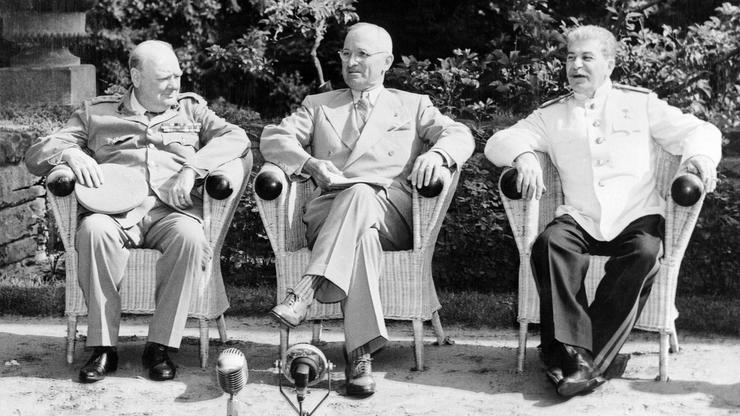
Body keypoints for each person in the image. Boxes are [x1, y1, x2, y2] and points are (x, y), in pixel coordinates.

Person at [485, 25, 721, 397]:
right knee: (549, 244)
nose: (575, 65)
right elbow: (499, 140)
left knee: (645, 252)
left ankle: (573, 356)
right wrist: (524, 156)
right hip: (580, 217)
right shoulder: (552, 114)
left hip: (636, 216)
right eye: (570, 57)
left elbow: (700, 130)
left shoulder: (641, 104)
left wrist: (700, 158)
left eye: (586, 57)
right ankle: (581, 361)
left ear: (609, 64)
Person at [260, 22, 474, 397]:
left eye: (362, 54)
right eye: (346, 53)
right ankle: (359, 354)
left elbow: (460, 134)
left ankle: (306, 291)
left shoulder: (413, 105)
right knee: (362, 237)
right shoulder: (318, 105)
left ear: (387, 61)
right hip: (329, 216)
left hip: (392, 215)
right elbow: (274, 138)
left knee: (361, 193)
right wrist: (309, 163)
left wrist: (439, 154)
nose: (351, 62)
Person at [25, 40, 252, 383]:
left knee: (191, 238)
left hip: (171, 211)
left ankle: (159, 346)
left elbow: (237, 138)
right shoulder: (97, 113)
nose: (174, 85)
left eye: (177, 76)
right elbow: (36, 155)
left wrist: (193, 167)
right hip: (114, 213)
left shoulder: (192, 111)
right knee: (93, 231)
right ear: (136, 77)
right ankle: (103, 347)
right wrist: (70, 153)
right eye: (164, 78)